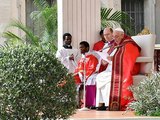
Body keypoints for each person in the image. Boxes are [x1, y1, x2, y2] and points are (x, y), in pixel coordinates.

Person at [96, 28, 141, 111]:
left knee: (109, 78)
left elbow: (127, 59)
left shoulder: (129, 44)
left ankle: (112, 103)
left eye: (116, 37)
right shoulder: (117, 44)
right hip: (115, 68)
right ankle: (104, 103)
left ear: (122, 35)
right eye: (114, 37)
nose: (115, 39)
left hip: (126, 69)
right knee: (100, 76)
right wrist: (105, 61)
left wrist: (113, 59)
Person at [74, 41, 99, 109]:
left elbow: (91, 69)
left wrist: (84, 78)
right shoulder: (82, 58)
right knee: (69, 79)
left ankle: (89, 103)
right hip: (80, 76)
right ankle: (72, 103)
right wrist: (76, 74)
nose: (80, 49)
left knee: (91, 80)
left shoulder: (92, 57)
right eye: (80, 47)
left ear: (87, 48)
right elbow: (78, 68)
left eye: (82, 47)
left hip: (87, 76)